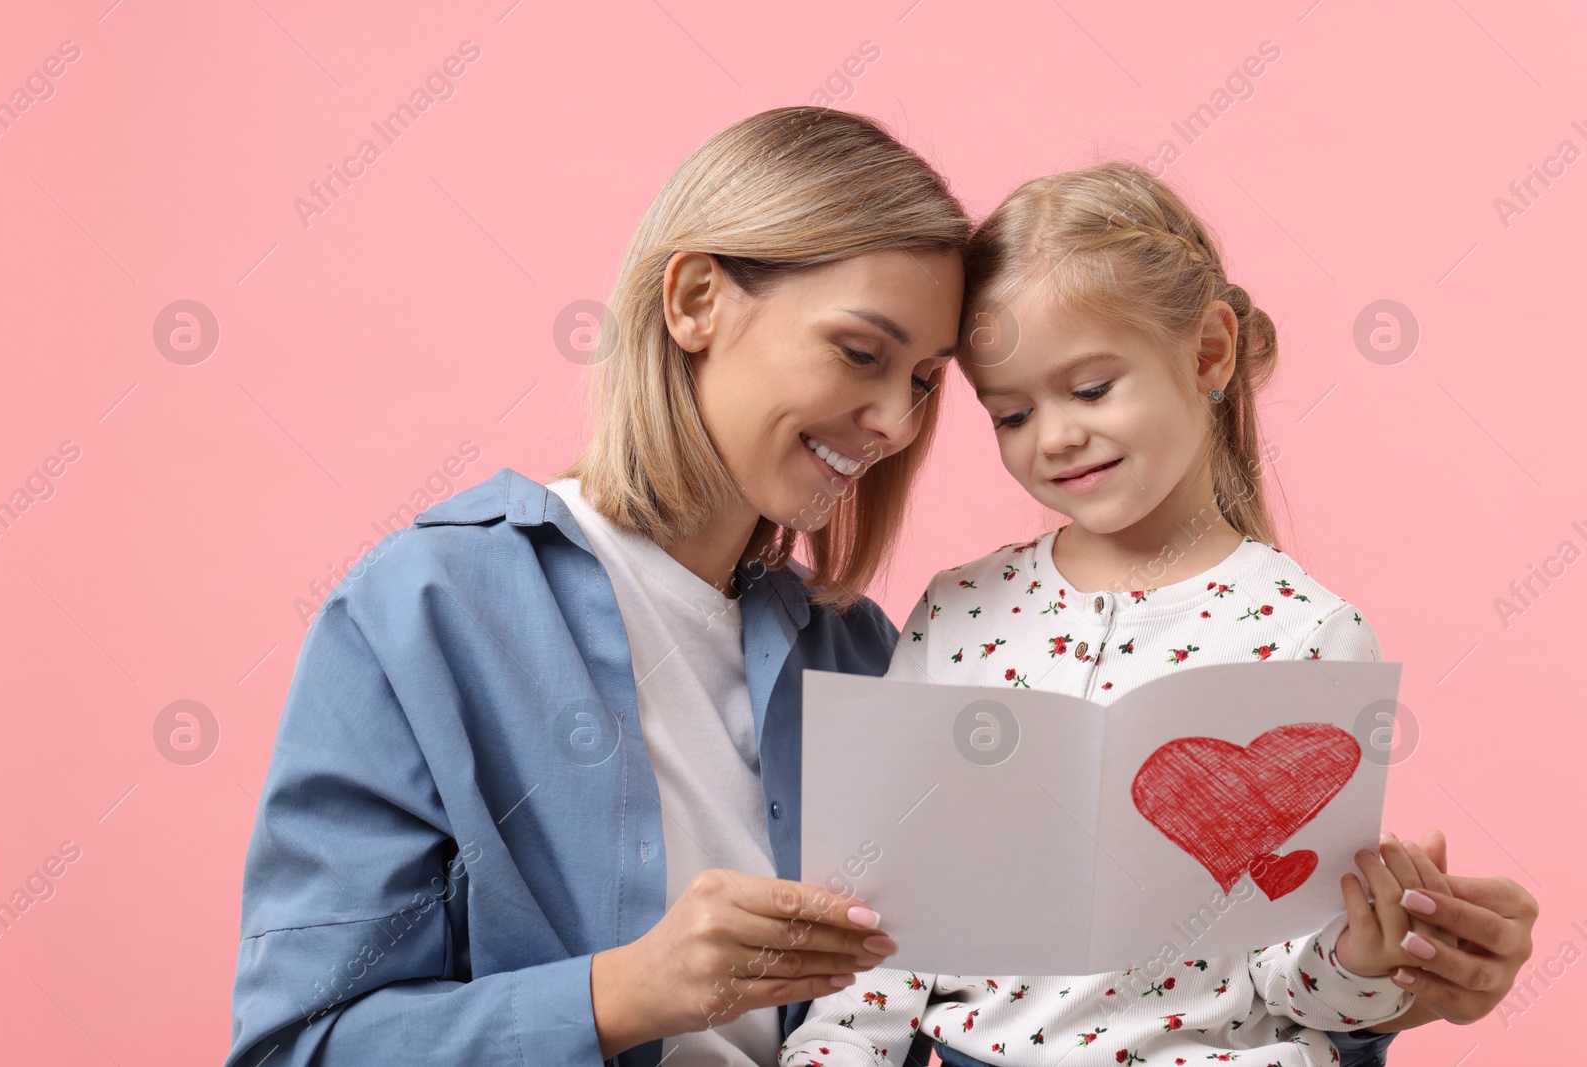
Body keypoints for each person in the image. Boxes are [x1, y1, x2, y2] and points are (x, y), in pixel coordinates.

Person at [222, 111, 1533, 1067]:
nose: (897, 420)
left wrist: (1395, 972)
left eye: (922, 378)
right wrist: (625, 990)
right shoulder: (430, 609)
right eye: (863, 352)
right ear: (694, 300)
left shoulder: (858, 648)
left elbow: (1144, 995)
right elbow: (296, 1047)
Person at [778, 163, 1539, 1067]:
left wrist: (1364, 957)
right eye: (1011, 412)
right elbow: (881, 907)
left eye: (1092, 389)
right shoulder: (961, 609)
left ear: (1210, 353)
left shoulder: (1308, 632)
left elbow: (1294, 983)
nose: (1053, 436)